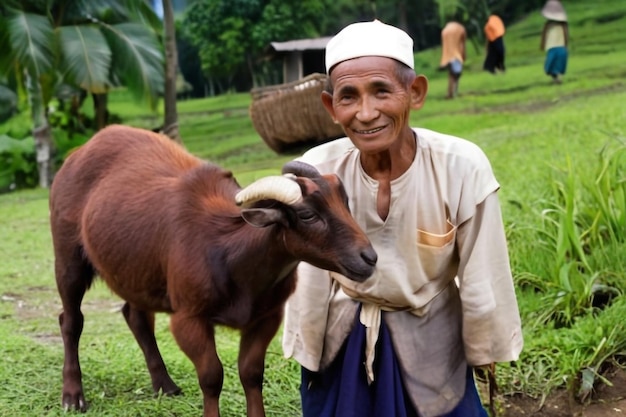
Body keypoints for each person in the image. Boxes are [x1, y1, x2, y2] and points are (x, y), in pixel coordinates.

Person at [282, 19, 524, 417]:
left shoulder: (461, 168)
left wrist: (485, 349)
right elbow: (308, 272)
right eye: (348, 96)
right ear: (330, 107)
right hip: (344, 336)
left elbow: (484, 270)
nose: (365, 113)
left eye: (381, 91)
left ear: (415, 93)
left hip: (431, 335)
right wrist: (307, 345)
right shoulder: (318, 168)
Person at [540, 0, 569, 84]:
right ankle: (555, 77)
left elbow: (565, 34)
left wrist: (565, 44)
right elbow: (544, 34)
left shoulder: (562, 24)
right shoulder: (548, 24)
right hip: (552, 45)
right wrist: (542, 44)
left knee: (559, 62)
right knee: (551, 62)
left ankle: (557, 77)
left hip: (560, 45)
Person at [439, 21, 466, 99]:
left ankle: (451, 92)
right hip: (456, 55)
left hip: (448, 56)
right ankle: (453, 92)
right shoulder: (461, 29)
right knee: (456, 74)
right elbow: (463, 43)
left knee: (451, 74)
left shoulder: (445, 30)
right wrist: (464, 55)